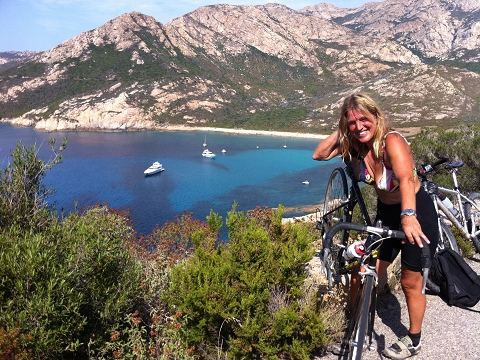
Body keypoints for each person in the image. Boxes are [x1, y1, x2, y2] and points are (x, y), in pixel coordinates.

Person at [312, 92, 438, 359]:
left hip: (415, 211)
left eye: (364, 120)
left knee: (409, 282)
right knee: (362, 272)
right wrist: (343, 129)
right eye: (353, 123)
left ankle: (413, 339)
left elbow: (405, 180)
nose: (359, 127)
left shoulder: (391, 142)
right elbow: (319, 154)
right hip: (387, 213)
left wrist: (408, 216)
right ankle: (356, 330)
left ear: (376, 116)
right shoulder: (356, 146)